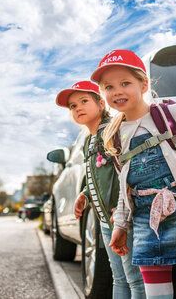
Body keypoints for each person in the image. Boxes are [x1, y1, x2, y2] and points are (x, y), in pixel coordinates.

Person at [91, 49, 176, 299]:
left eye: (125, 83)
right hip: (145, 220)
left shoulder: (170, 114)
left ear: (143, 84)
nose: (117, 91)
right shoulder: (115, 134)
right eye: (109, 87)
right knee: (155, 294)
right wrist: (120, 225)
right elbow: (126, 188)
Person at [55, 80, 146, 299]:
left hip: (122, 218)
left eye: (84, 101)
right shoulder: (89, 140)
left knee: (135, 278)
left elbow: (123, 172)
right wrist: (85, 195)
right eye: (73, 106)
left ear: (101, 104)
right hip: (105, 220)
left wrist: (122, 213)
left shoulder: (112, 131)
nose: (78, 108)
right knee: (119, 277)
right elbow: (97, 176)